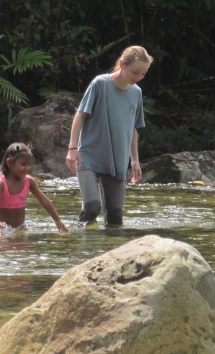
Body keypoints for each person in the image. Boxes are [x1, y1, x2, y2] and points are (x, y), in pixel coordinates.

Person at [66, 45, 153, 227]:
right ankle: (78, 239)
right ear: (122, 64)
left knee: (115, 218)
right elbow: (80, 115)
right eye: (135, 72)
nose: (138, 77)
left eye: (143, 74)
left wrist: (135, 160)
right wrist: (72, 148)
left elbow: (133, 128)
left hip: (117, 162)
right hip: (89, 157)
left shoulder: (136, 93)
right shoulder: (100, 84)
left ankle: (109, 245)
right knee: (92, 207)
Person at [0, 143, 68, 233]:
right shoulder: (1, 183)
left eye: (29, 164)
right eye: (23, 164)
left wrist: (57, 220)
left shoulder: (29, 181)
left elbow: (44, 200)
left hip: (22, 227)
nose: (27, 168)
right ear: (9, 163)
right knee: (4, 242)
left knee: (24, 242)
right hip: (3, 228)